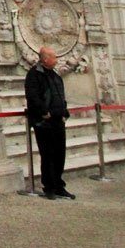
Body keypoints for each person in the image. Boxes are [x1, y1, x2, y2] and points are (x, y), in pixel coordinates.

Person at [25, 45, 74, 199]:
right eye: (54, 57)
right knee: (48, 155)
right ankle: (49, 187)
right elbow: (32, 96)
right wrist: (44, 112)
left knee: (60, 155)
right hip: (44, 122)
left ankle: (59, 185)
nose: (56, 59)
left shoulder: (55, 75)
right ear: (45, 59)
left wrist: (64, 113)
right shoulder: (34, 75)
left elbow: (60, 95)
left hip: (58, 120)